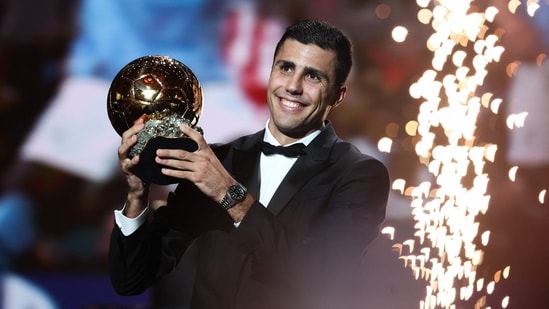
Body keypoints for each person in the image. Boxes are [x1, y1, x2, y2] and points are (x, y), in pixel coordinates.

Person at [109, 19, 389, 309]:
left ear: (338, 95)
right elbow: (131, 279)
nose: (292, 86)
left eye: (313, 77)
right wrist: (136, 194)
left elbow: (320, 273)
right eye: (286, 68)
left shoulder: (359, 174)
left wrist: (229, 195)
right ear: (270, 72)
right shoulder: (219, 160)